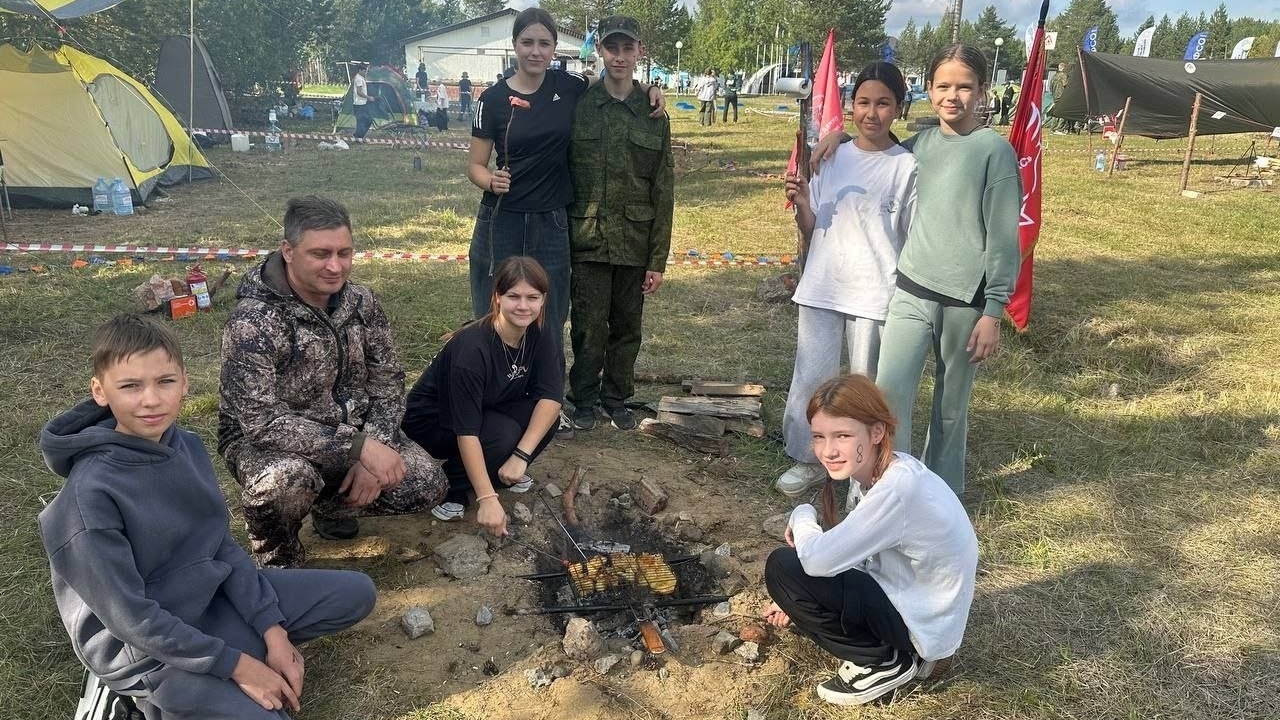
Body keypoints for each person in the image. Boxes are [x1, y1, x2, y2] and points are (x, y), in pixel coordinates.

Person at [39, 314, 377, 720]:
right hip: (147, 649)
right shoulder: (88, 495)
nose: (150, 399)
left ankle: (231, 653)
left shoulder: (186, 446)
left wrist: (272, 629)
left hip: (209, 600)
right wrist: (242, 666)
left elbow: (217, 543)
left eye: (165, 382)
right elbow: (131, 618)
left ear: (184, 382)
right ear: (100, 391)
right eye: (130, 386)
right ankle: (145, 699)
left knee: (356, 593)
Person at [812, 43, 1020, 494]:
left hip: (966, 303)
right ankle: (885, 491)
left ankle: (939, 498)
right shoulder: (922, 144)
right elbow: (877, 146)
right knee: (886, 400)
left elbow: (1005, 235)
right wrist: (840, 138)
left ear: (982, 91)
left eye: (964, 87)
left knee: (949, 407)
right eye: (943, 85)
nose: (953, 96)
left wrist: (994, 309)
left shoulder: (994, 152)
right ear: (928, 89)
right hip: (910, 292)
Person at [219, 196, 447, 568]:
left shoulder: (362, 303)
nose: (335, 266)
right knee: (285, 482)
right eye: (320, 253)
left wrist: (374, 448)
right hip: (267, 442)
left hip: (351, 433)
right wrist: (359, 448)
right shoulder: (253, 322)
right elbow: (262, 423)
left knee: (424, 483)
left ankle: (332, 507)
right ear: (288, 251)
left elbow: (388, 383)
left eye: (345, 252)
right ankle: (278, 561)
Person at [762, 374, 978, 706]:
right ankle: (891, 653)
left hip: (921, 631)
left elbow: (817, 561)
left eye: (843, 436)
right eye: (819, 436)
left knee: (783, 567)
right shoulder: (883, 473)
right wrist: (796, 599)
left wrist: (802, 514)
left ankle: (882, 660)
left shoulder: (898, 490)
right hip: (916, 609)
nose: (828, 450)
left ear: (876, 432)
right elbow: (852, 554)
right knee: (797, 575)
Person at [467, 7, 665, 355]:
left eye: (544, 43)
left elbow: (613, 81)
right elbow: (475, 166)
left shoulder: (568, 86)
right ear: (515, 45)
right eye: (527, 42)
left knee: (551, 313)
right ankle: (494, 386)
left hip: (552, 219)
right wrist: (489, 181)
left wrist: (648, 86)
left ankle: (547, 395)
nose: (535, 51)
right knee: (494, 307)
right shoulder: (492, 99)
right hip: (502, 218)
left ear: (554, 48)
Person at [775, 62, 917, 498]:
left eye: (883, 103)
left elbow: (910, 236)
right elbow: (812, 225)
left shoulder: (906, 167)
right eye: (863, 102)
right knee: (810, 378)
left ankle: (865, 472)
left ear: (898, 108)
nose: (871, 113)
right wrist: (800, 200)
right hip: (822, 286)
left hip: (874, 293)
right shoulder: (831, 155)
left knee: (863, 387)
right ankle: (808, 458)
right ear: (851, 105)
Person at [566, 15, 674, 433]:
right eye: (612, 48)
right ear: (600, 51)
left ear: (639, 52)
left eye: (628, 49)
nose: (620, 57)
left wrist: (657, 259)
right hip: (588, 236)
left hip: (634, 239)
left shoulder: (652, 114)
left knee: (628, 327)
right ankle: (584, 399)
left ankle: (616, 396)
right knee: (589, 325)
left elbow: (663, 189)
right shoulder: (580, 106)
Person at [402, 257, 562, 536]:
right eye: (514, 296)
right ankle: (454, 486)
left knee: (547, 419)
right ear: (497, 297)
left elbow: (551, 397)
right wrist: (487, 499)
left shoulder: (539, 329)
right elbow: (466, 430)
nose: (523, 306)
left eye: (532, 297)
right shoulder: (471, 349)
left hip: (489, 404)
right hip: (433, 424)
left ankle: (494, 468)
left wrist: (520, 456)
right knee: (502, 435)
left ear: (543, 299)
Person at [351, 63, 372, 143]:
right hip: (359, 104)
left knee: (367, 121)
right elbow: (359, 92)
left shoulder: (361, 78)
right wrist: (368, 97)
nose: (365, 72)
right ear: (360, 70)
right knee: (362, 121)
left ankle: (359, 136)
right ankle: (358, 137)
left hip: (363, 103)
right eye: (364, 70)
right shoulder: (358, 79)